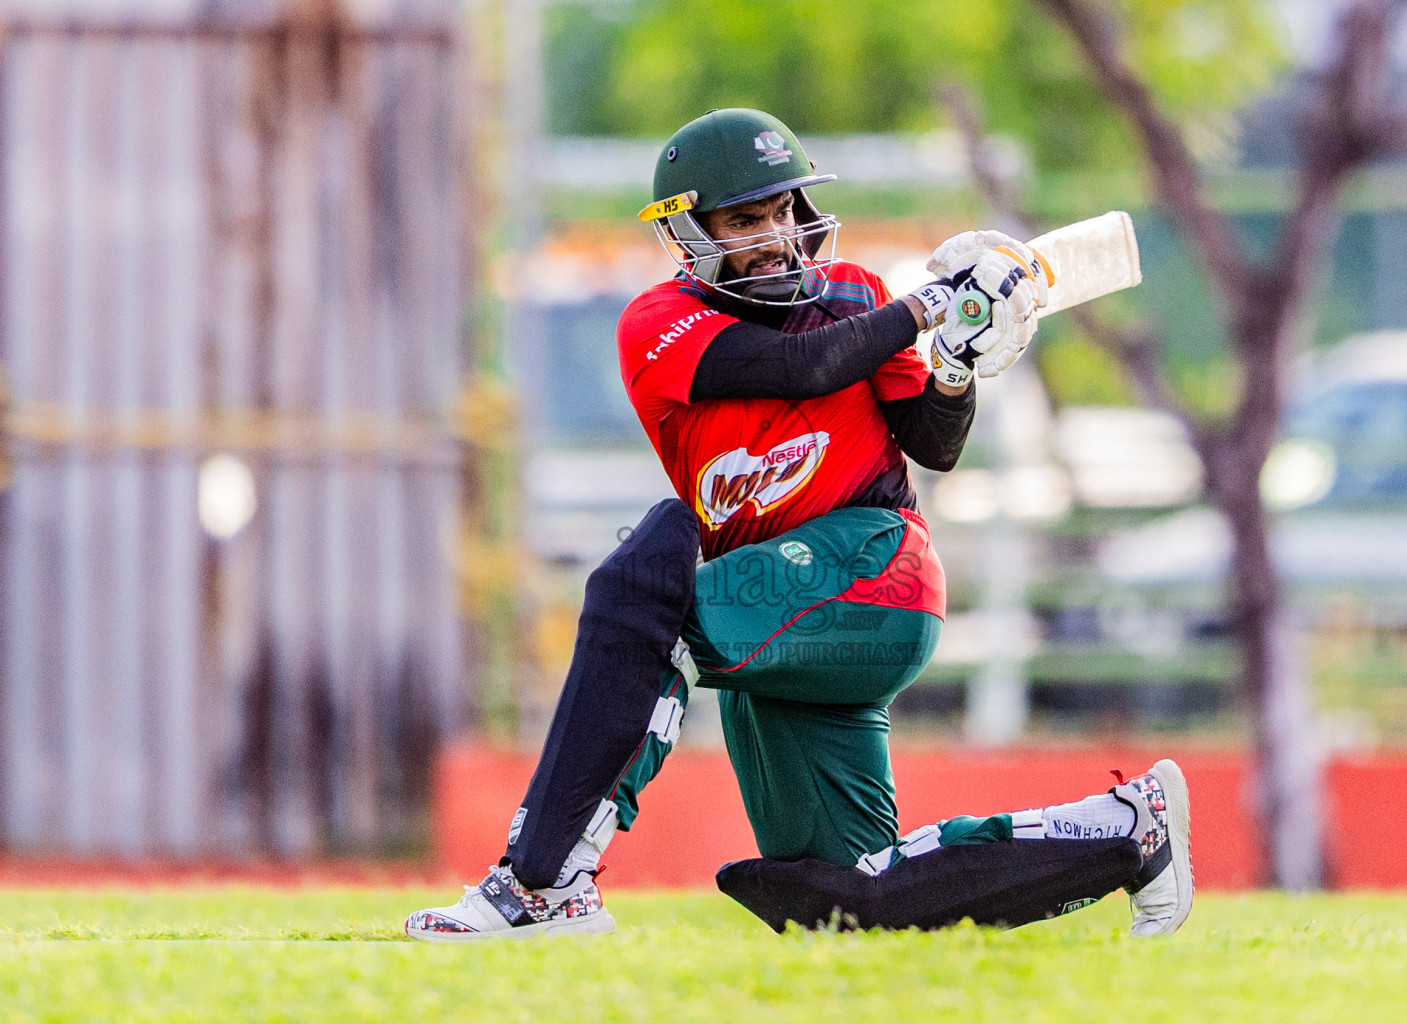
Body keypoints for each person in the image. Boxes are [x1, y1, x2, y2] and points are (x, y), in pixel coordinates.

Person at [405, 109, 1192, 941]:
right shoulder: (658, 322)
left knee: (645, 602)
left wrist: (957, 367)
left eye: (785, 210)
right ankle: (1128, 832)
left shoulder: (856, 294)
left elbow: (935, 445)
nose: (778, 237)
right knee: (851, 898)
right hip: (781, 620)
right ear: (687, 233)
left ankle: (539, 886)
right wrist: (934, 305)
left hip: (872, 568)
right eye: (747, 219)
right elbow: (799, 367)